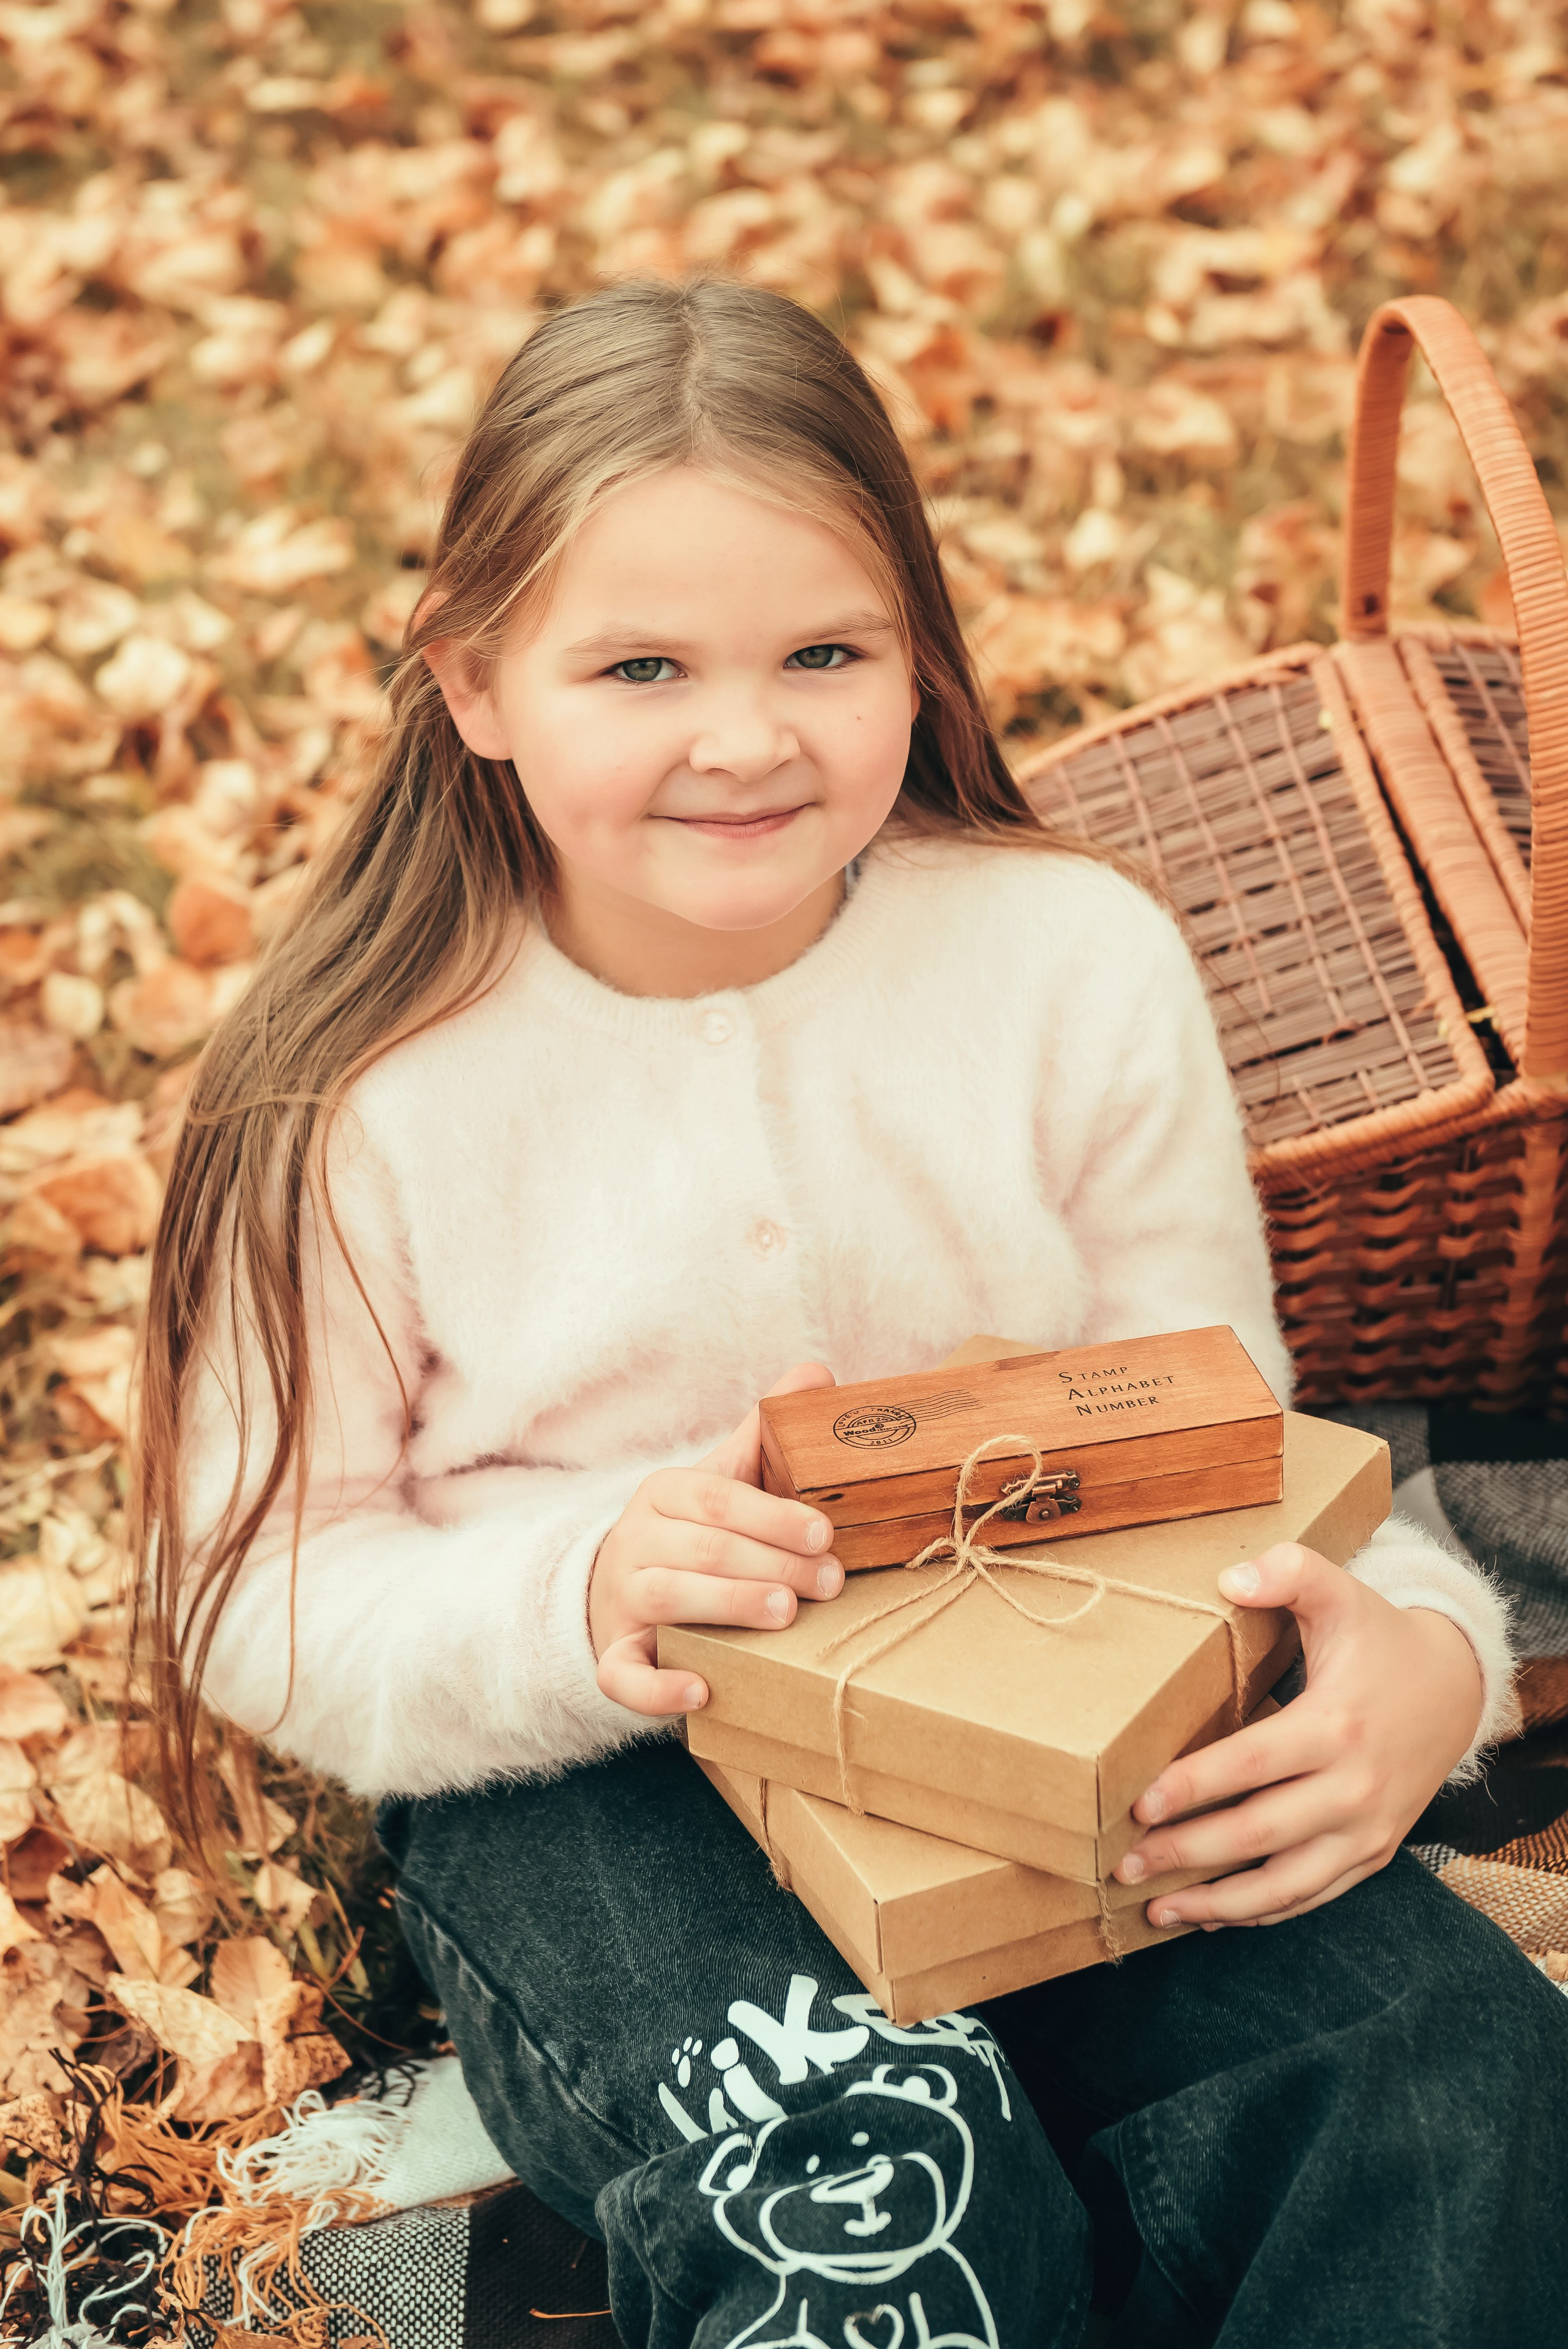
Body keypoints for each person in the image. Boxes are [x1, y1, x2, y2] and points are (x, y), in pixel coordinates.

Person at [138, 278, 1568, 2348]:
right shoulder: (356, 1093)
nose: (747, 735)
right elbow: (256, 1588)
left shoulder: (1070, 961)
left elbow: (1242, 1434)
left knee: (1444, 2089)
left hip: (1062, 1688)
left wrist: (1427, 1661)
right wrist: (578, 1597)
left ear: (919, 652)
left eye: (826, 650)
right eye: (639, 664)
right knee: (884, 2200)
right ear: (472, 681)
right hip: (588, 1771)